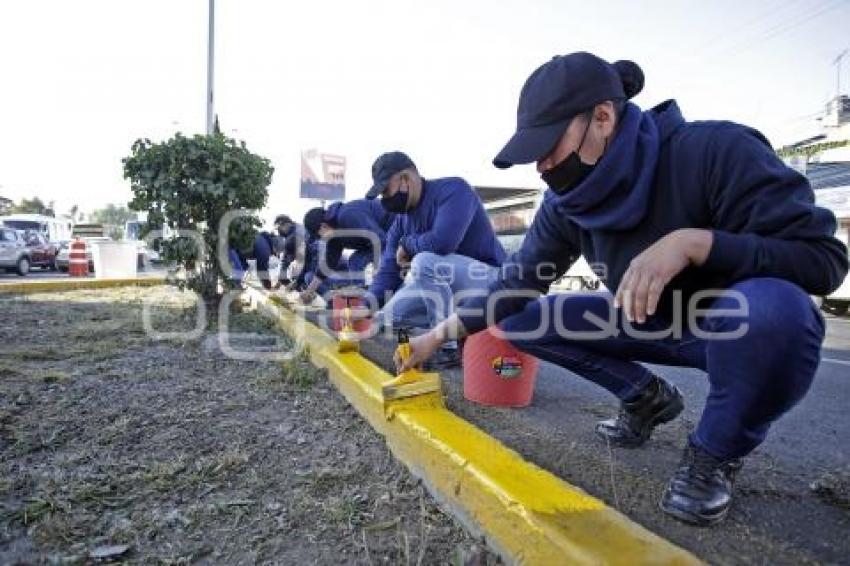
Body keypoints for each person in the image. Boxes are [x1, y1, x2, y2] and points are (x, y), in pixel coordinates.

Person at [397, 52, 849, 525]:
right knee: (518, 318)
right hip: (648, 322)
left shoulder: (715, 151)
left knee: (780, 313)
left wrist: (696, 244)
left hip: (729, 327)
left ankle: (714, 452)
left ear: (603, 118)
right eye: (535, 156)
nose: (543, 166)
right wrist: (435, 336)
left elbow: (823, 261)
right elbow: (515, 285)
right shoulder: (566, 203)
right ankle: (645, 395)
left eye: (550, 146)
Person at [365, 151, 505, 367]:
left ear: (406, 179)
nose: (385, 199)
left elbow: (443, 241)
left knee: (423, 262)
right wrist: (366, 304)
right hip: (449, 291)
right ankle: (460, 327)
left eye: (386, 190)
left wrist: (408, 245)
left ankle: (446, 349)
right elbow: (388, 270)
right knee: (387, 317)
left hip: (490, 281)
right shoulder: (401, 221)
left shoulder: (454, 190)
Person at [299, 198, 396, 303]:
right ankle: (361, 298)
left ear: (324, 226)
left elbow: (379, 240)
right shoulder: (333, 237)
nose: (321, 240)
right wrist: (309, 291)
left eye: (319, 237)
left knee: (357, 261)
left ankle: (373, 298)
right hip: (381, 238)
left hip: (393, 227)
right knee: (355, 261)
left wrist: (379, 273)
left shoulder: (348, 215)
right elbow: (327, 265)